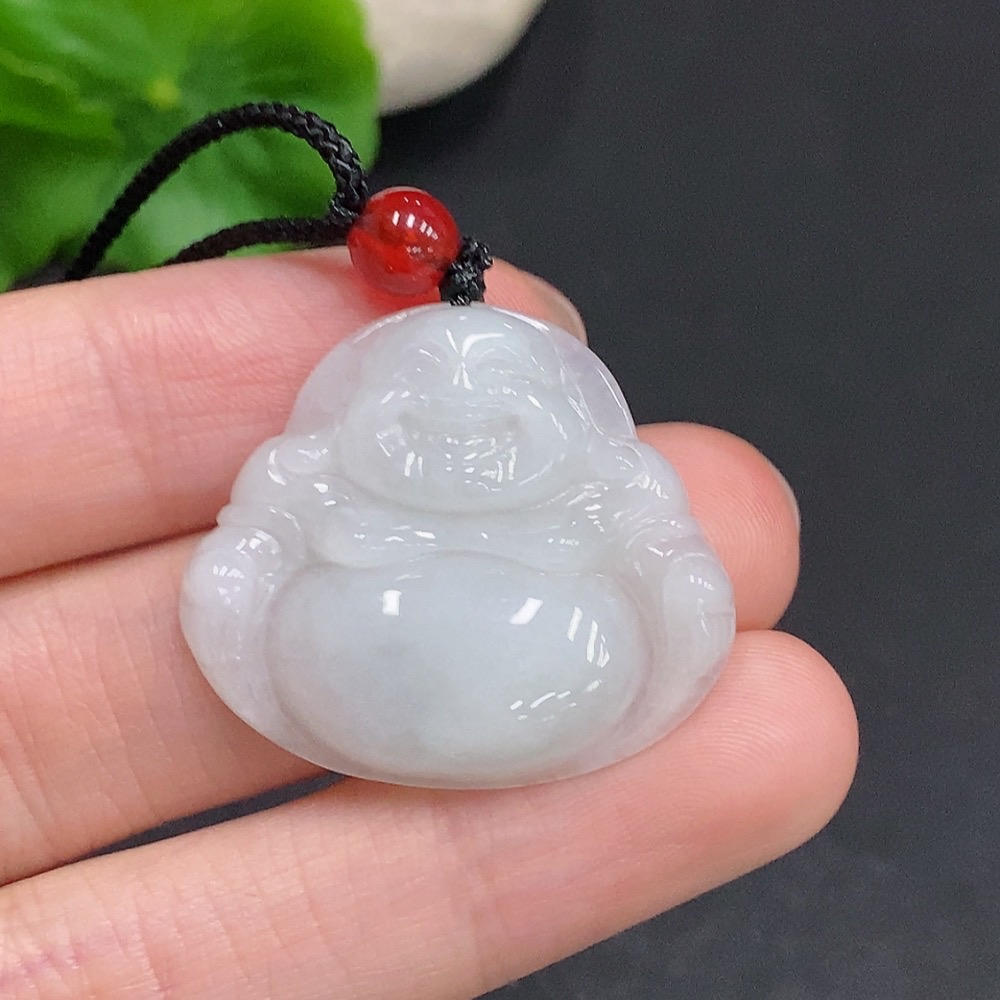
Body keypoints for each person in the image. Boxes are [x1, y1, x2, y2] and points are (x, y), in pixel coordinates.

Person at [0, 249, 858, 998]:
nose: (458, 407)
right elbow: (251, 549)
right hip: (347, 668)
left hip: (563, 668)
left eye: (499, 385)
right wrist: (235, 577)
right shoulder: (315, 479)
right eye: (422, 381)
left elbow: (665, 557)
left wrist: (681, 593)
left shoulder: (604, 490)